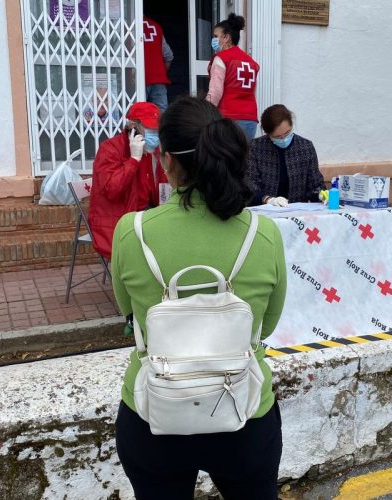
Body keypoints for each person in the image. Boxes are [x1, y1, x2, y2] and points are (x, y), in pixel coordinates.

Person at [111, 96, 286, 499]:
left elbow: (129, 315)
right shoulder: (263, 234)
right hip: (243, 409)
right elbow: (268, 325)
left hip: (153, 411)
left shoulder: (131, 231)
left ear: (166, 160)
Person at [88, 102, 168, 260]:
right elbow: (112, 190)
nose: (154, 134)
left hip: (145, 215)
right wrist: (133, 159)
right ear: (133, 126)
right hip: (118, 220)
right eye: (150, 129)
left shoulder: (152, 151)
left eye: (157, 130)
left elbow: (162, 189)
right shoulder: (109, 148)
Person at [247, 104, 325, 207]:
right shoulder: (255, 148)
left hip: (297, 213)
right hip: (264, 212)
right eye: (277, 137)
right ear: (267, 133)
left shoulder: (305, 147)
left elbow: (315, 185)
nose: (283, 139)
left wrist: (321, 195)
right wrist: (268, 200)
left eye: (287, 133)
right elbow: (249, 185)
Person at [205, 13, 260, 141]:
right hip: (250, 119)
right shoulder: (251, 62)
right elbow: (251, 91)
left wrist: (204, 113)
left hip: (228, 118)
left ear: (226, 38)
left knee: (225, 159)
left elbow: (215, 92)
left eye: (216, 36)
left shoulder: (221, 59)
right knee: (244, 158)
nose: (213, 39)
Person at [143, 15, 173, 112]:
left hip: (138, 78)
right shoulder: (156, 26)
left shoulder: (129, 26)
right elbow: (168, 55)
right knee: (161, 111)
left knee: (138, 112)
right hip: (158, 78)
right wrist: (161, 72)